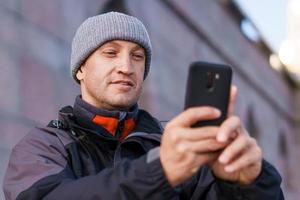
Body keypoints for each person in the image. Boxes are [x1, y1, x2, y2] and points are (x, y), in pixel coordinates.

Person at [3, 11, 284, 199]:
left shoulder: (175, 145)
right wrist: (158, 171)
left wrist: (251, 183)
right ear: (80, 69)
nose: (126, 67)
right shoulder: (42, 146)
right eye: (110, 53)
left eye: (137, 56)